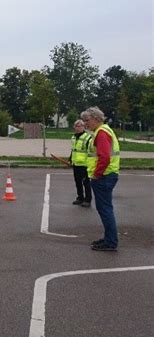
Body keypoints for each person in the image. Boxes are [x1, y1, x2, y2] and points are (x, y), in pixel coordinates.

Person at [80, 107, 120, 251]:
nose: (85, 123)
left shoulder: (102, 133)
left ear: (96, 118)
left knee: (105, 209)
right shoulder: (103, 131)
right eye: (84, 121)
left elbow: (104, 157)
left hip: (104, 176)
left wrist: (97, 174)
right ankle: (109, 238)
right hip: (107, 175)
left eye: (87, 120)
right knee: (105, 209)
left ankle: (111, 242)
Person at [68, 119, 92, 207]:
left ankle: (88, 199)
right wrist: (70, 159)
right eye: (76, 126)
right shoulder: (74, 137)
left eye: (80, 126)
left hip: (84, 164)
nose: (78, 128)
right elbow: (74, 150)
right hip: (76, 164)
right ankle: (80, 198)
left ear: (84, 127)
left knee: (86, 183)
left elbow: (90, 152)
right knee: (77, 182)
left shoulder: (87, 138)